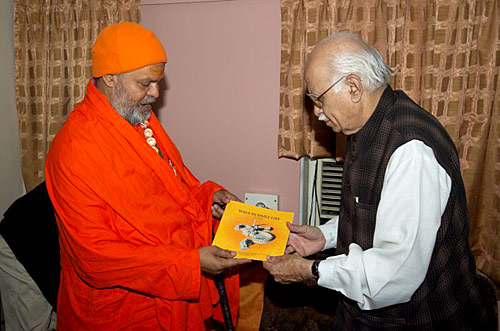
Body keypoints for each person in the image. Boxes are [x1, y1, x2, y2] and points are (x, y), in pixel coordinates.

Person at [263, 32, 491, 330]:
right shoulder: (368, 126)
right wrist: (326, 235)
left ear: (354, 87)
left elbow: (395, 274)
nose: (316, 113)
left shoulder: (411, 151)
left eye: (319, 99)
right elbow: (378, 213)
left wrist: (312, 270)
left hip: (420, 319)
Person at [44, 22, 249, 330]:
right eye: (145, 83)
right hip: (119, 309)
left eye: (158, 82)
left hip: (165, 294)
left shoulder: (139, 120)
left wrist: (208, 198)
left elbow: (173, 189)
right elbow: (95, 256)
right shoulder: (76, 147)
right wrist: (189, 264)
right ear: (111, 77)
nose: (154, 93)